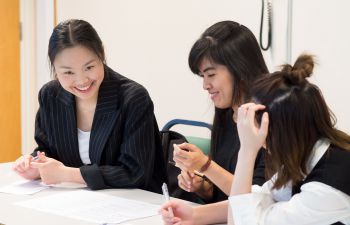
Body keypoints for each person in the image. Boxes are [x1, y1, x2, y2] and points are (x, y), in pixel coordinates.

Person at [161, 54, 350, 225]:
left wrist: (247, 151)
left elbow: (244, 220)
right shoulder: (309, 155)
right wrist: (194, 215)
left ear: (279, 130)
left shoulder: (327, 187)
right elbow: (260, 198)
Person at [12, 19, 166, 193]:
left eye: (89, 67)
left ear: (102, 53)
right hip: (76, 201)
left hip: (137, 204)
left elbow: (136, 173)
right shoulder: (50, 96)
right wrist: (36, 165)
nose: (82, 80)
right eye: (68, 72)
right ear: (54, 68)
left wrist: (67, 174)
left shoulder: (132, 98)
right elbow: (47, 151)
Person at [172, 20, 268, 203]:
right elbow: (222, 195)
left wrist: (206, 165)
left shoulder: (266, 121)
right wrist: (202, 186)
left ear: (239, 68)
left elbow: (255, 199)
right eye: (202, 76)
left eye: (211, 75)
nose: (205, 85)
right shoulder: (226, 114)